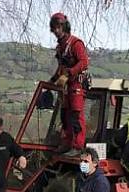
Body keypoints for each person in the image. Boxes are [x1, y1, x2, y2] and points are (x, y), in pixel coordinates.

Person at [49, 12, 90, 156]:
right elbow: (61, 67)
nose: (56, 31)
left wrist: (68, 73)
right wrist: (52, 81)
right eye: (54, 28)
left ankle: (78, 146)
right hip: (66, 87)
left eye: (58, 27)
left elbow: (84, 62)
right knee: (64, 115)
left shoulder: (75, 43)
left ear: (64, 26)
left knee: (76, 115)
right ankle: (67, 143)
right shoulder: (60, 47)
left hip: (76, 85)